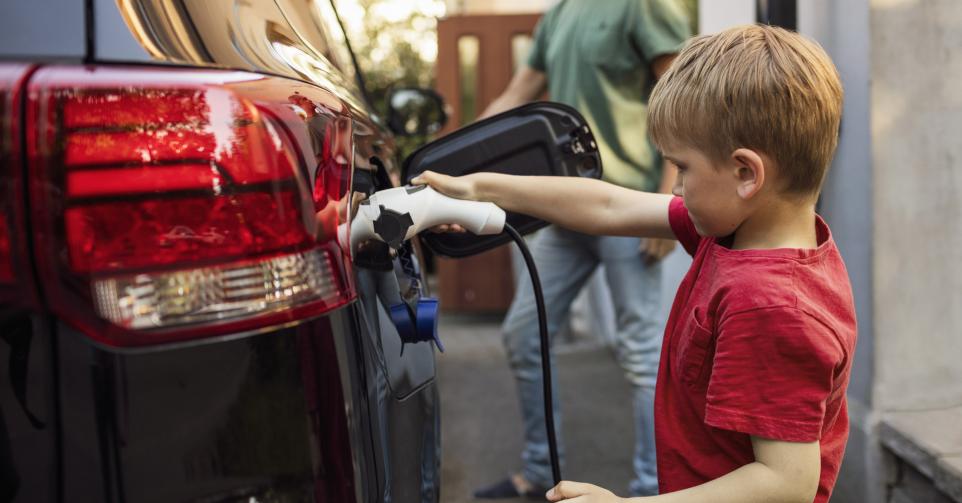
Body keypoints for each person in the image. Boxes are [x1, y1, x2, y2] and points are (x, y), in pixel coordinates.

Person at [415, 23, 856, 503]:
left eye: (682, 168)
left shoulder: (771, 307)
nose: (676, 186)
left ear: (746, 173)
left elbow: (787, 482)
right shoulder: (742, 231)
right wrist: (480, 187)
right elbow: (608, 206)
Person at [469, 1, 692, 498]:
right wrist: (459, 157)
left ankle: (650, 491)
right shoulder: (561, 12)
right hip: (569, 207)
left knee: (640, 352)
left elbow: (680, 96)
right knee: (524, 334)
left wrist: (668, 197)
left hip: (631, 207)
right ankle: (540, 474)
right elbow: (518, 92)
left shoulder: (641, 5)